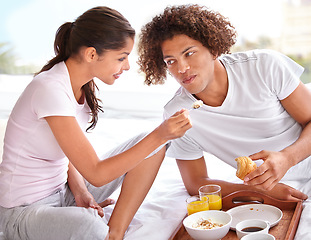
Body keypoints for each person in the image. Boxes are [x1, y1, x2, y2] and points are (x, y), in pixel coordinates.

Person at [0, 6, 191, 240]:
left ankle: (115, 233)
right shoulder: (49, 88)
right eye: (121, 57)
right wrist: (162, 134)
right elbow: (97, 174)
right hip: (23, 211)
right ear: (91, 54)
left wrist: (81, 192)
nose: (127, 66)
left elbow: (68, 154)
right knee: (88, 226)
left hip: (65, 192)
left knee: (150, 145)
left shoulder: (82, 86)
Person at [137, 4, 311, 202]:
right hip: (278, 188)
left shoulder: (264, 66)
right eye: (171, 61)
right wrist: (259, 191)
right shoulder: (177, 115)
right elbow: (195, 182)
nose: (182, 68)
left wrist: (288, 158)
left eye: (189, 53)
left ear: (213, 49)